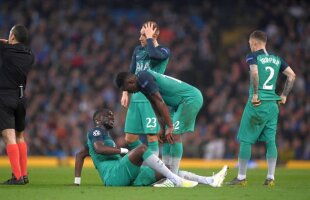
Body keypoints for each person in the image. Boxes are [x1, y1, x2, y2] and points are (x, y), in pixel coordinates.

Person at [74, 108, 228, 187]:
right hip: (114, 175)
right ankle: (177, 181)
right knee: (141, 150)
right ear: (98, 119)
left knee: (166, 170)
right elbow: (100, 148)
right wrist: (122, 150)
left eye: (113, 116)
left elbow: (80, 155)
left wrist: (77, 181)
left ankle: (209, 180)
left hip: (124, 175)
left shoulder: (100, 137)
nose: (112, 118)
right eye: (108, 115)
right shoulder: (97, 130)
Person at [227, 30, 296, 186]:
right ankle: (271, 177)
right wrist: (284, 95)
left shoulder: (253, 56)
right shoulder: (277, 59)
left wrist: (256, 94)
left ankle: (241, 177)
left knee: (245, 140)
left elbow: (255, 73)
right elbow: (292, 75)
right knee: (271, 141)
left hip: (257, 104)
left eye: (250, 44)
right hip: (273, 105)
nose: (250, 47)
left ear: (255, 43)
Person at [115, 69, 203, 177]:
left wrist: (170, 126)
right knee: (166, 135)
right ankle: (167, 175)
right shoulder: (141, 84)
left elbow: (160, 101)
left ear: (130, 82)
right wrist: (161, 126)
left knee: (174, 134)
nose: (130, 93)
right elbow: (154, 104)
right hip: (179, 103)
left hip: (189, 99)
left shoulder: (144, 78)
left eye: (127, 90)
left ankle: (173, 178)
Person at [121, 21, 170, 156]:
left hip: (150, 98)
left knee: (152, 136)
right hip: (136, 98)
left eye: (144, 34)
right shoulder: (138, 50)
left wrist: (149, 38)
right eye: (141, 34)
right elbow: (131, 71)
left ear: (155, 34)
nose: (140, 38)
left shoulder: (163, 51)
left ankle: (153, 170)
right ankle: (149, 159)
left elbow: (154, 55)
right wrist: (125, 92)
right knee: (129, 138)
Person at [0, 24, 34, 185]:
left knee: (8, 136)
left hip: (5, 96)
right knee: (20, 135)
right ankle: (24, 174)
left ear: (12, 36)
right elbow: (17, 48)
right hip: (21, 97)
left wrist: (5, 43)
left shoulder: (5, 51)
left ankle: (17, 176)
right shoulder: (29, 55)